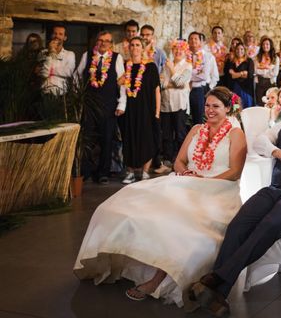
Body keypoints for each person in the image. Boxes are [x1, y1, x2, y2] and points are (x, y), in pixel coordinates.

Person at [74, 87, 246, 306]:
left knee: (178, 222)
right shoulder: (196, 129)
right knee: (130, 199)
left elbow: (235, 172)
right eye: (207, 105)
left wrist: (204, 182)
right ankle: (120, 256)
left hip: (219, 191)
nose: (210, 110)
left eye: (216, 106)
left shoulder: (235, 133)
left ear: (228, 108)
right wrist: (185, 173)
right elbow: (179, 161)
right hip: (187, 183)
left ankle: (156, 280)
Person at [186, 86, 281, 315]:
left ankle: (217, 279)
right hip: (276, 189)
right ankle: (218, 293)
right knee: (239, 223)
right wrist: (278, 153)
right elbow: (259, 142)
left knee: (270, 223)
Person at [76, 31, 126, 183]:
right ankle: (85, 171)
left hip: (109, 105)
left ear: (111, 44)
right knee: (87, 139)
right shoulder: (87, 55)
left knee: (107, 139)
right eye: (101, 40)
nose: (103, 43)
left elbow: (122, 82)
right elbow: (77, 76)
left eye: (107, 41)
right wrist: (77, 99)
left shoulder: (117, 58)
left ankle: (103, 172)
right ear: (96, 42)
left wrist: (122, 103)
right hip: (89, 105)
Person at [120, 37, 161, 184]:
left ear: (143, 48)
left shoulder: (150, 67)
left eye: (138, 45)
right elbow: (118, 84)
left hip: (146, 108)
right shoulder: (125, 66)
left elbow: (157, 90)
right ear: (128, 48)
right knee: (129, 138)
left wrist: (157, 111)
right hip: (129, 108)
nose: (135, 47)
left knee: (146, 139)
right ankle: (130, 171)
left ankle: (145, 172)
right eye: (132, 45)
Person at [158, 39, 193, 173]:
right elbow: (160, 84)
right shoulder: (166, 64)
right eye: (175, 49)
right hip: (166, 104)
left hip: (180, 105)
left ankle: (181, 162)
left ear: (185, 52)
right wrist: (171, 83)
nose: (178, 52)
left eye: (181, 50)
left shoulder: (188, 66)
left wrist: (172, 70)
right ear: (172, 51)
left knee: (180, 134)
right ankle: (167, 162)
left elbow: (180, 82)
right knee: (166, 135)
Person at [188, 31, 216, 125]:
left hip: (199, 89)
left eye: (196, 39)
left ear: (200, 41)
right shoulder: (184, 55)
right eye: (191, 39)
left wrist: (188, 76)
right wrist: (194, 75)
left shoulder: (207, 56)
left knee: (198, 118)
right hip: (185, 89)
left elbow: (204, 76)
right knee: (185, 117)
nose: (193, 41)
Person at [40, 23, 76, 95]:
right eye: (55, 33)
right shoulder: (43, 52)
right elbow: (44, 74)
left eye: (60, 34)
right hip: (45, 93)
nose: (57, 36)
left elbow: (68, 72)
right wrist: (50, 52)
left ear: (65, 37)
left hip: (62, 94)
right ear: (51, 35)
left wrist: (50, 70)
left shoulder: (70, 54)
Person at [225, 42, 255, 108]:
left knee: (247, 108)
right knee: (236, 108)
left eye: (241, 49)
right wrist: (242, 73)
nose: (239, 51)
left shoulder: (249, 61)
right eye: (237, 49)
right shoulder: (232, 62)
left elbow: (249, 75)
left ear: (245, 50)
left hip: (246, 89)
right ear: (235, 50)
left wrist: (236, 74)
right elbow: (231, 76)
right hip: (235, 88)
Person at [253, 36, 279, 104]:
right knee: (260, 103)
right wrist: (266, 71)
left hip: (270, 83)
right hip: (259, 83)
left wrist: (263, 73)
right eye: (263, 44)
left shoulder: (275, 58)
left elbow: (275, 73)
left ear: (270, 45)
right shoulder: (257, 57)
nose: (265, 46)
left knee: (270, 103)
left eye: (267, 44)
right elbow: (255, 70)